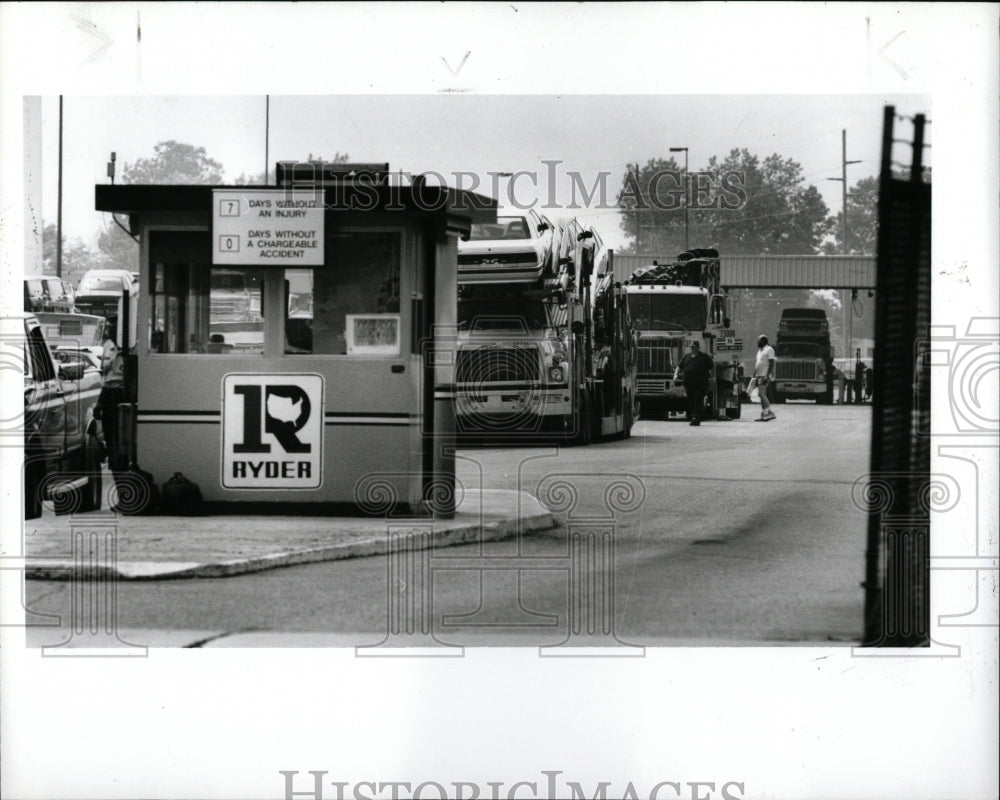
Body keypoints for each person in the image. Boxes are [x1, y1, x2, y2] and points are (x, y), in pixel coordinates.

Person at [95, 333, 126, 472]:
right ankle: (114, 464)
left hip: (124, 393)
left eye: (112, 327)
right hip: (108, 393)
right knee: (109, 431)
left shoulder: (132, 347)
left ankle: (123, 462)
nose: (109, 331)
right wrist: (99, 403)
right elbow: (104, 378)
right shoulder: (107, 346)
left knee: (122, 433)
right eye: (108, 328)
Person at [673, 340, 715, 426]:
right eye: (691, 347)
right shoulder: (686, 356)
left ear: (698, 347)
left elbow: (712, 367)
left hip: (701, 383)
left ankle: (696, 418)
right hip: (688, 383)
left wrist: (713, 378)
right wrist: (675, 375)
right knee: (691, 400)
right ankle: (694, 417)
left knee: (698, 400)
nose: (692, 348)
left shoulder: (704, 356)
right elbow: (679, 366)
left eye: (694, 347)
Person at [747, 334, 776, 421]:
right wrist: (754, 376)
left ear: (763, 341)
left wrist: (768, 375)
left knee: (761, 393)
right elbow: (757, 364)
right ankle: (764, 414)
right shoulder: (760, 351)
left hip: (764, 375)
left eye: (759, 341)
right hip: (758, 375)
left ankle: (769, 412)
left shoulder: (769, 349)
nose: (757, 343)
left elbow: (771, 363)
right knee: (761, 394)